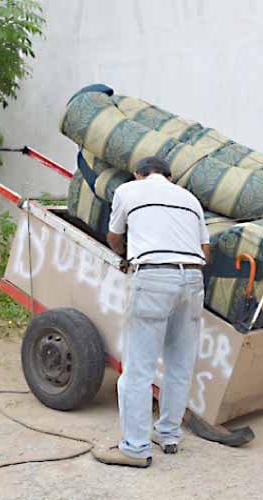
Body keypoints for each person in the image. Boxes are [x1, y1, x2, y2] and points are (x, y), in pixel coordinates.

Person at [92, 156, 211, 468]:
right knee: (180, 364)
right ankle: (169, 434)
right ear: (170, 177)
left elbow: (115, 236)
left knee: (137, 370)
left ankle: (134, 448)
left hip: (154, 277)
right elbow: (205, 250)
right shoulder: (190, 199)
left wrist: (125, 253)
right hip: (193, 279)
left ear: (138, 174)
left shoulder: (128, 191)